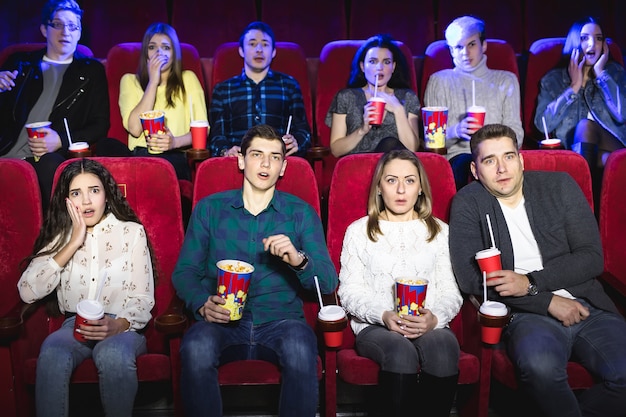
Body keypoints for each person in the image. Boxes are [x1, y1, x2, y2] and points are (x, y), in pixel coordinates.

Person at [449, 123, 626, 417]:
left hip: (587, 306)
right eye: (489, 161)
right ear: (475, 170)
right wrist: (545, 301)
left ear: (521, 159)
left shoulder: (560, 186)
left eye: (508, 156)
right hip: (527, 315)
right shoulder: (469, 202)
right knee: (540, 369)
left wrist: (532, 281)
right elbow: (471, 279)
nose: (501, 168)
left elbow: (592, 258)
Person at [173, 124, 337, 417]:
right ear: (240, 160)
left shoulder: (300, 213)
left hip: (282, 320)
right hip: (221, 321)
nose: (265, 164)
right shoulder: (210, 209)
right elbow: (185, 272)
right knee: (195, 347)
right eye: (257, 154)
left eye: (274, 157)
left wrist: (297, 259)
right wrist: (201, 303)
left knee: (302, 351)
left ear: (283, 167)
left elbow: (327, 282)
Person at [17, 159, 156, 417]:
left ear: (106, 194)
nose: (87, 200)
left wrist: (119, 325)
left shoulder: (131, 232)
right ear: (67, 200)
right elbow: (27, 290)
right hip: (74, 325)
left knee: (113, 354)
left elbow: (142, 297)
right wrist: (71, 244)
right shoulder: (61, 236)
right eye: (76, 193)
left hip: (122, 326)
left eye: (94, 190)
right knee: (52, 353)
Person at [337, 150, 462, 417]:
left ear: (420, 188)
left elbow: (452, 291)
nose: (401, 189)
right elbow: (348, 291)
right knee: (400, 351)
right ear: (379, 187)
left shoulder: (440, 231)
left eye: (410, 180)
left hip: (429, 324)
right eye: (392, 180)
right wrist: (383, 315)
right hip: (377, 326)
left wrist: (434, 319)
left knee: (443, 348)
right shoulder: (359, 231)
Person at [0, 0, 109, 209]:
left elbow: (100, 125)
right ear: (44, 29)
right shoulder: (18, 63)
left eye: (73, 26)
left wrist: (61, 139)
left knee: (52, 167)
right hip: (5, 151)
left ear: (79, 33)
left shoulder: (91, 72)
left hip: (45, 159)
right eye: (57, 24)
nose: (65, 31)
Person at [424, 16, 523, 189]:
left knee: (496, 167)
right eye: (458, 47)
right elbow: (431, 143)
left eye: (471, 44)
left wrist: (491, 143)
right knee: (469, 166)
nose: (465, 53)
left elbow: (517, 135)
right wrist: (456, 131)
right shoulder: (439, 81)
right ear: (451, 51)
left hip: (498, 156)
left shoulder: (505, 80)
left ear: (483, 45)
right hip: (459, 157)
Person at [535, 17, 626, 204]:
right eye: (585, 38)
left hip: (616, 147)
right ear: (575, 42)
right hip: (579, 155)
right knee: (602, 158)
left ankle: (580, 206)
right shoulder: (553, 80)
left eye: (599, 38)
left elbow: (622, 113)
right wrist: (574, 87)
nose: (593, 43)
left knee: (586, 127)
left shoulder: (614, 73)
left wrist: (601, 74)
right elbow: (541, 123)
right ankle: (590, 210)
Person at [117, 22, 208, 181]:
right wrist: (153, 82)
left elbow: (203, 130)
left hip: (175, 156)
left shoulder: (188, 79)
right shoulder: (129, 81)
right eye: (152, 47)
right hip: (140, 156)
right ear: (146, 53)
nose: (159, 52)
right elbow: (135, 129)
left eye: (166, 47)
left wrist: (174, 142)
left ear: (174, 53)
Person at [209, 21, 311, 158]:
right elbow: (215, 136)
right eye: (252, 44)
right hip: (238, 161)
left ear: (273, 51)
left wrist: (296, 142)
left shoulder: (289, 85)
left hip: (278, 159)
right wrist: (225, 151)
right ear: (241, 50)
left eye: (265, 44)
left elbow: (303, 131)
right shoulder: (223, 90)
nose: (259, 50)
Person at [325, 34, 420, 157]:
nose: (380, 67)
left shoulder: (407, 97)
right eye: (373, 61)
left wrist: (398, 110)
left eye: (386, 62)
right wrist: (362, 130)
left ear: (393, 67)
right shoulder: (346, 97)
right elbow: (336, 150)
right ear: (362, 66)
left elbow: (412, 149)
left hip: (395, 171)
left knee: (390, 145)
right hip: (358, 168)